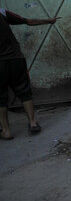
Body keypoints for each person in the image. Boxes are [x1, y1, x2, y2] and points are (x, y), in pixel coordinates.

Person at [0, 8, 58, 139]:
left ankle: (6, 131)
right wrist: (48, 21)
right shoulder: (2, 12)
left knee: (1, 98)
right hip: (16, 58)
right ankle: (32, 123)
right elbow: (27, 21)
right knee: (25, 91)